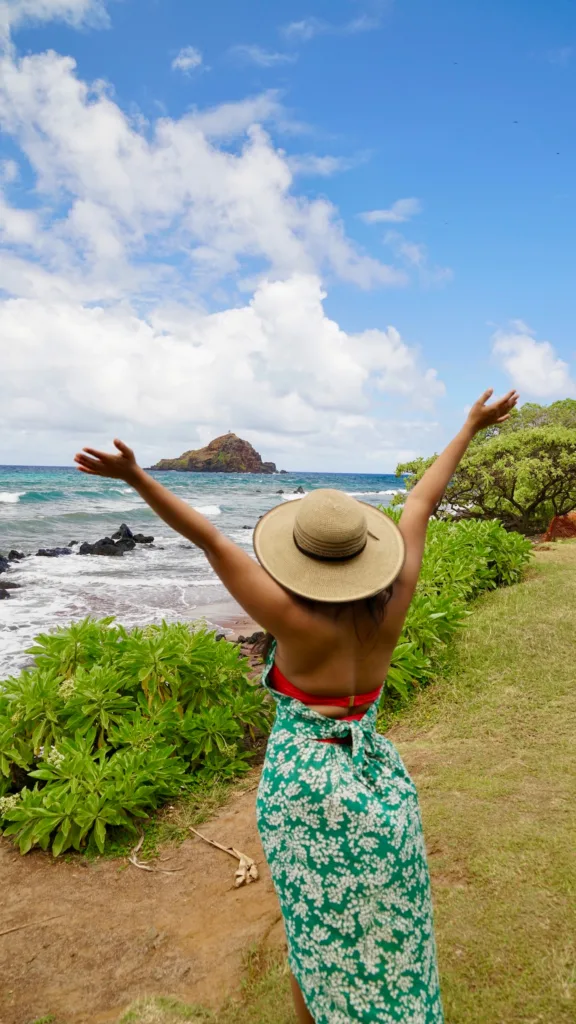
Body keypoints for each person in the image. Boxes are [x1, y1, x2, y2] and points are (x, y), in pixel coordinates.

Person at [75, 387, 518, 1024]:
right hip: (374, 775)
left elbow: (208, 537)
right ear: (366, 555)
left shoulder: (287, 618)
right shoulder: (395, 601)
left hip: (303, 780)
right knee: (388, 918)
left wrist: (136, 477)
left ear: (301, 559)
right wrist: (471, 426)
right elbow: (422, 500)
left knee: (311, 922)